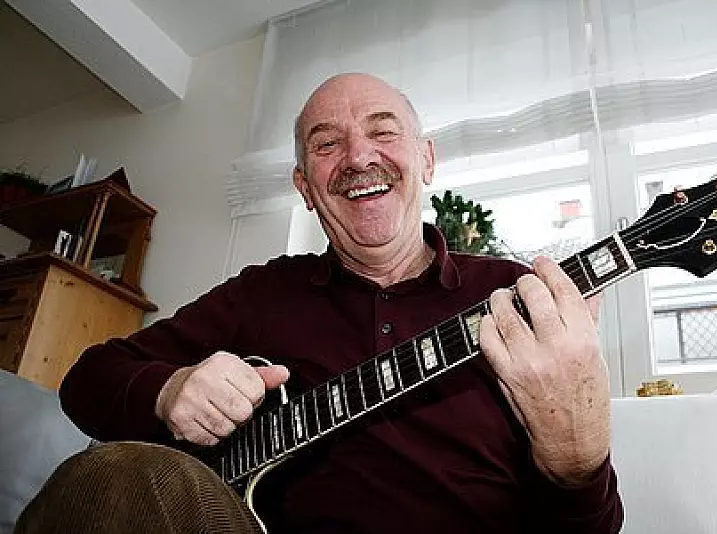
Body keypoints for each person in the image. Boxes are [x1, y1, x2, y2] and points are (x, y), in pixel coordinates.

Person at [15, 73, 623, 533]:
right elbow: (87, 380)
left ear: (426, 159)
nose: (358, 157)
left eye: (383, 132)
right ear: (305, 188)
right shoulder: (263, 292)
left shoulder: (516, 296)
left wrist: (576, 455)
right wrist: (169, 390)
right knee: (110, 477)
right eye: (328, 144)